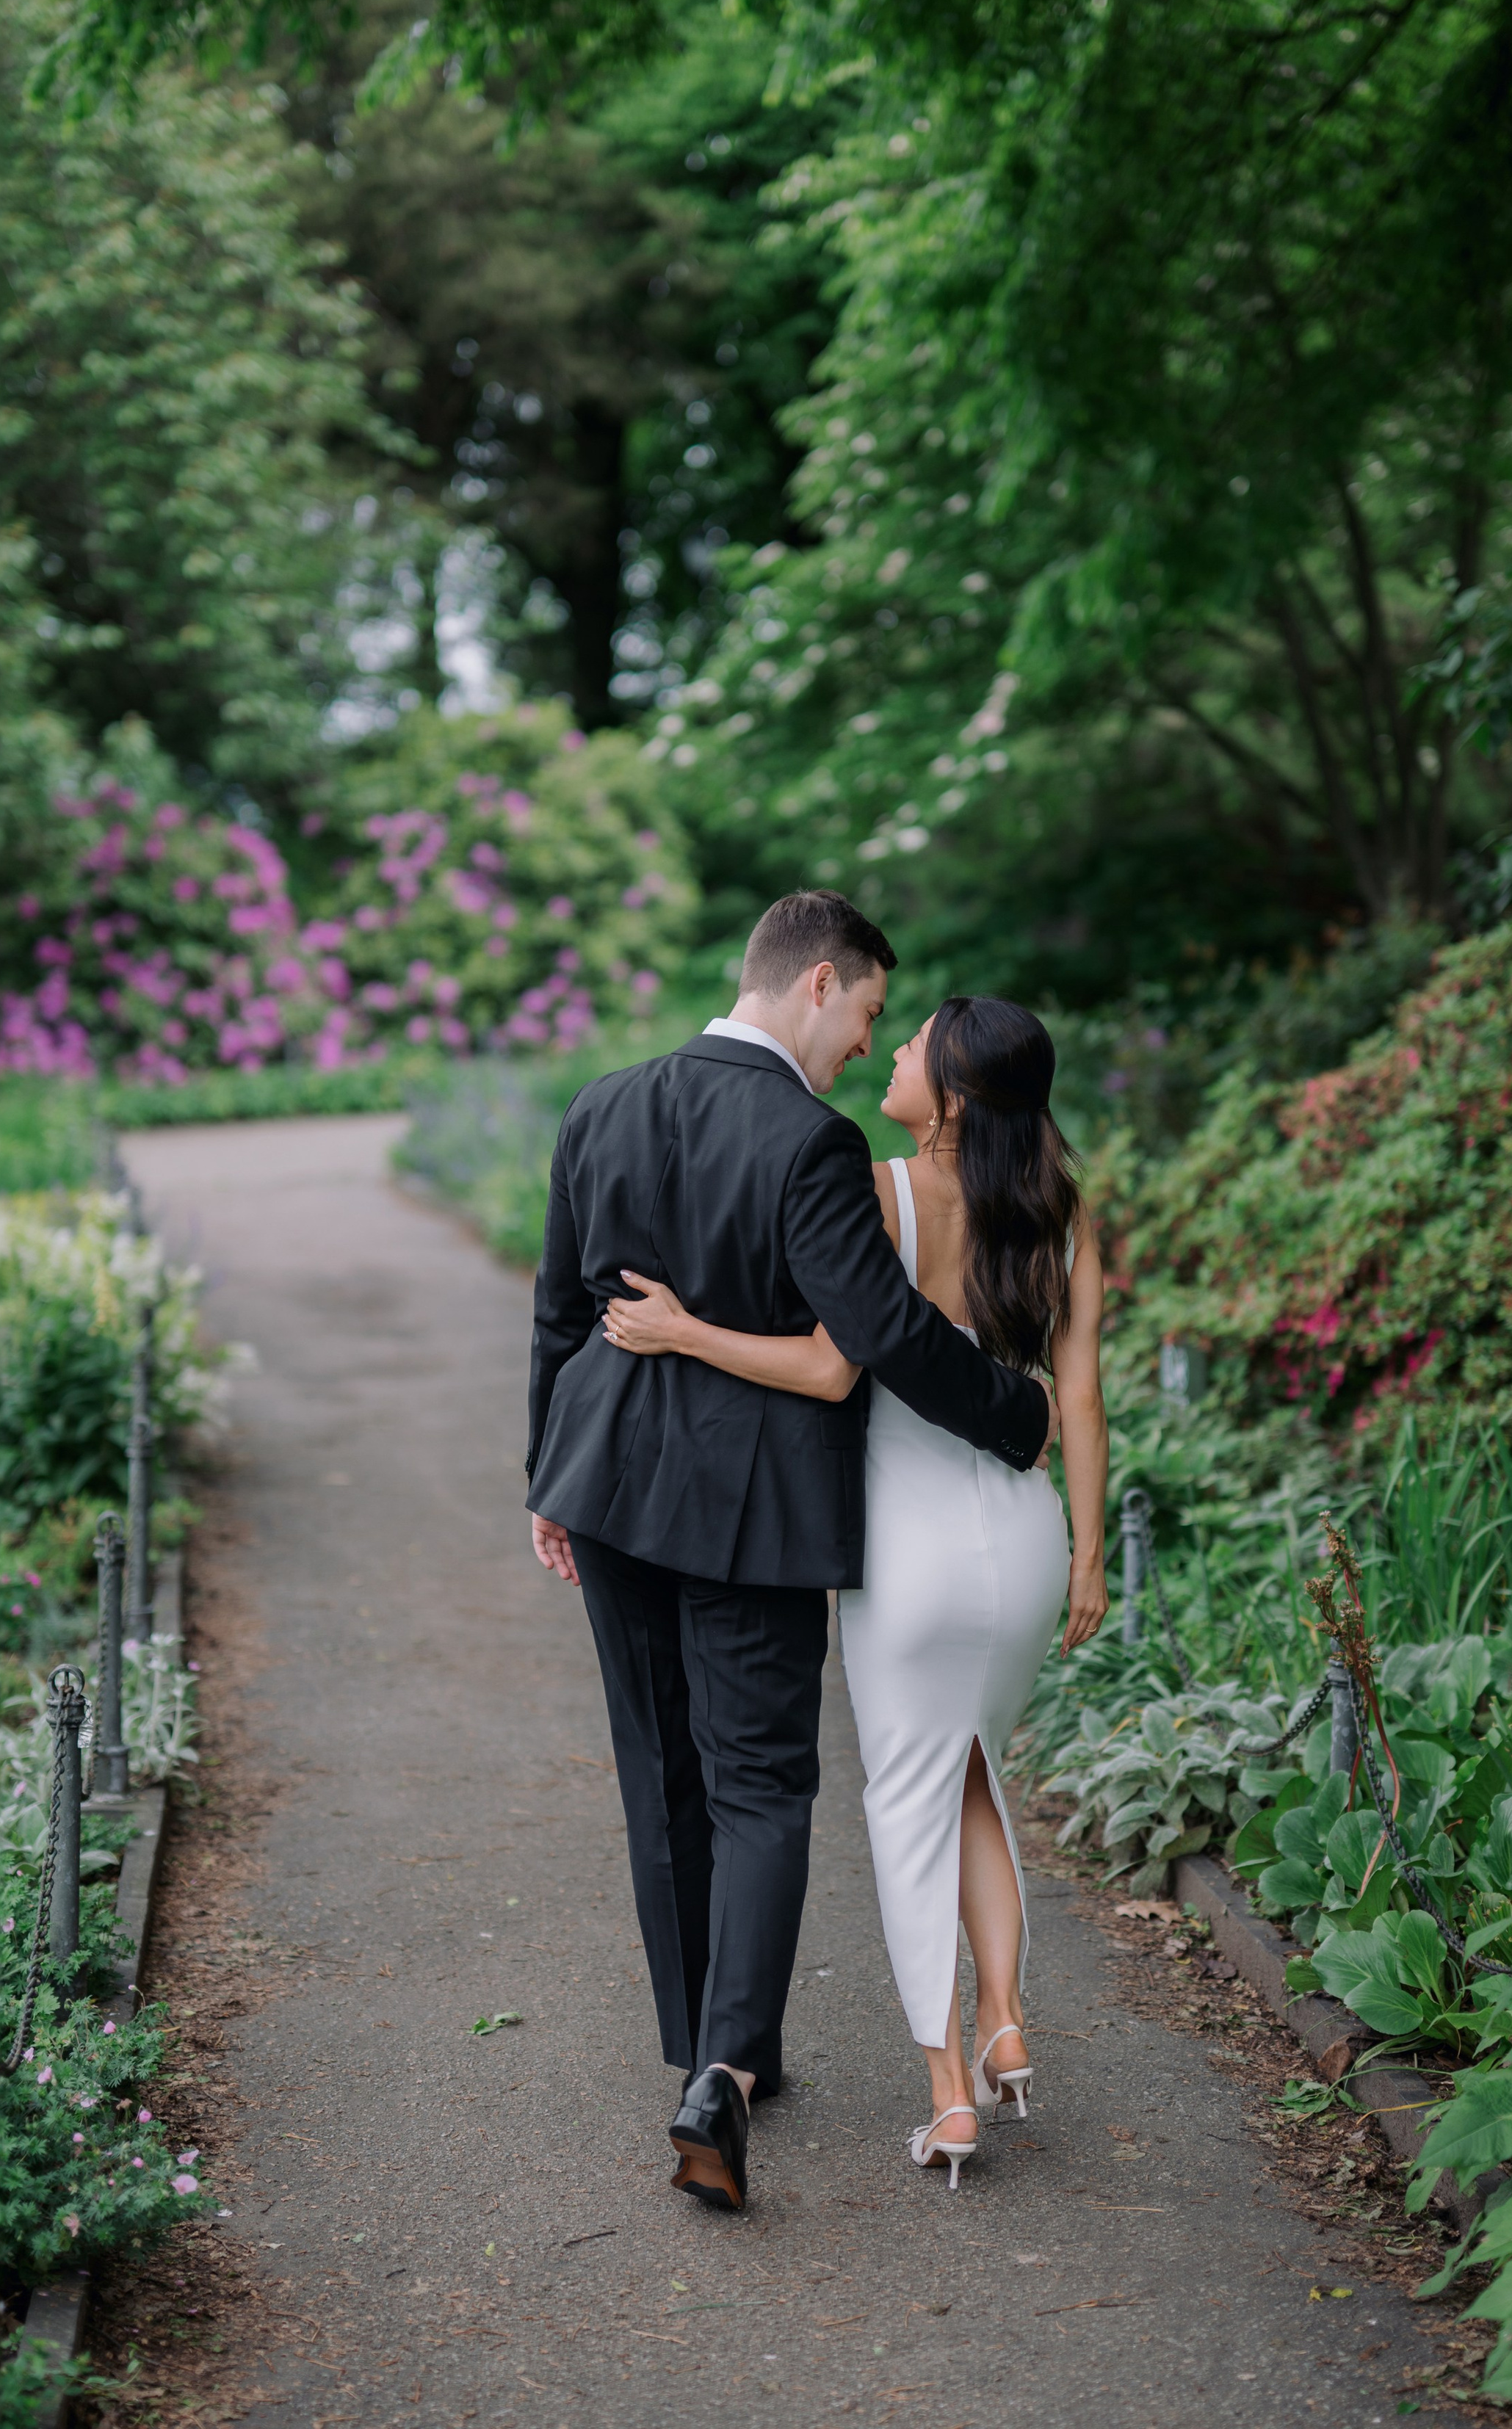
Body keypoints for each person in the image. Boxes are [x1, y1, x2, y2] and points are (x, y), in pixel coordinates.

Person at [526, 894, 1057, 2212]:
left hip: (604, 1483)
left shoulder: (601, 1104)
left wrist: (545, 1477)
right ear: (818, 983)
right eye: (868, 1012)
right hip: (748, 1508)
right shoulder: (810, 1140)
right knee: (761, 1783)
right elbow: (883, 1329)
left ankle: (709, 2052)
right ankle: (725, 2069)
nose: (867, 1042)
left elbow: (558, 1316)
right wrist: (1015, 1414)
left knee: (661, 1769)